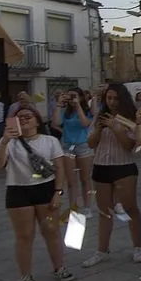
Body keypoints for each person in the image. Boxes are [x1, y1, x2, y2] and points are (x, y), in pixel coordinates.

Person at [0, 106, 74, 281]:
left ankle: (59, 267)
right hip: (18, 190)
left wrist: (58, 192)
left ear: (37, 120)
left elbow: (59, 168)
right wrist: (4, 141)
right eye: (19, 117)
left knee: (51, 232)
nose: (24, 119)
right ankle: (25, 275)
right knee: (24, 236)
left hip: (45, 189)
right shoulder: (9, 142)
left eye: (28, 116)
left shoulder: (50, 141)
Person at [83, 83, 141, 267]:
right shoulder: (99, 116)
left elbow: (129, 146)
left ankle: (137, 248)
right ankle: (102, 250)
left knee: (130, 207)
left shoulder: (130, 118)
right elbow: (91, 143)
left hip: (123, 166)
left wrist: (115, 127)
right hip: (101, 166)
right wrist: (99, 129)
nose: (112, 102)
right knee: (104, 211)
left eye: (116, 98)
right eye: (109, 98)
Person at [51, 88, 95, 216]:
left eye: (74, 96)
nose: (71, 99)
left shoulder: (87, 110)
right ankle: (73, 208)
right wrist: (59, 104)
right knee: (71, 181)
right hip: (68, 146)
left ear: (81, 97)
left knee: (85, 179)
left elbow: (85, 123)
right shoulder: (65, 111)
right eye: (69, 96)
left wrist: (78, 106)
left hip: (83, 145)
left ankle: (87, 207)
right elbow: (56, 123)